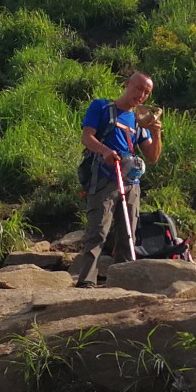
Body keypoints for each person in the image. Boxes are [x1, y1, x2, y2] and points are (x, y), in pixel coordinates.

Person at [71, 72, 163, 288]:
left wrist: (157, 134)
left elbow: (153, 156)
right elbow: (87, 137)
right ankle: (86, 282)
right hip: (103, 178)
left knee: (128, 234)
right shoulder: (101, 107)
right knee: (98, 232)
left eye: (146, 93)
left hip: (131, 183)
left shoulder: (140, 121)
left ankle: (122, 282)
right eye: (138, 88)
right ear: (127, 84)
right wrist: (105, 151)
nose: (141, 95)